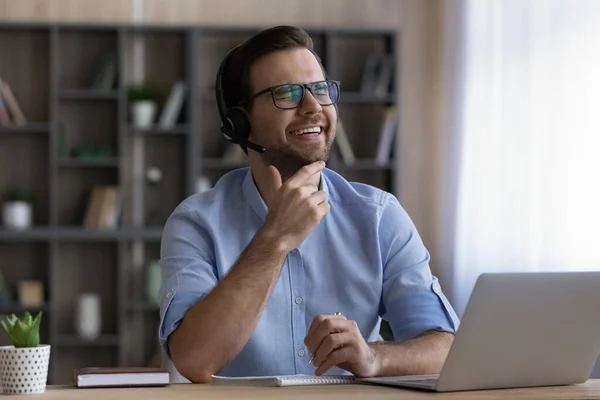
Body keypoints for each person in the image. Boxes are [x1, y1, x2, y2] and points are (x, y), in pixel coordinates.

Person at [158, 25, 460, 384]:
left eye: (320, 90)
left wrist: (374, 357)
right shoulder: (196, 222)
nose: (314, 107)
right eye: (286, 93)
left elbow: (446, 348)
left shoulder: (378, 216)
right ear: (240, 124)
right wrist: (274, 239)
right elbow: (194, 360)